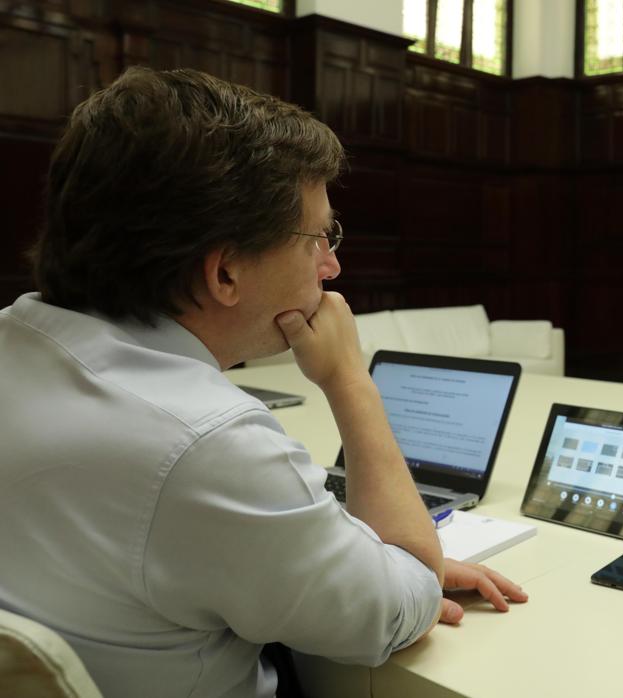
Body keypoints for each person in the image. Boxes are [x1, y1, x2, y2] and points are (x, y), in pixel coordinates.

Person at [0, 67, 526, 698]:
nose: (332, 266)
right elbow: (402, 599)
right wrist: (349, 379)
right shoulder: (210, 445)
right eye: (318, 238)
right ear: (225, 274)